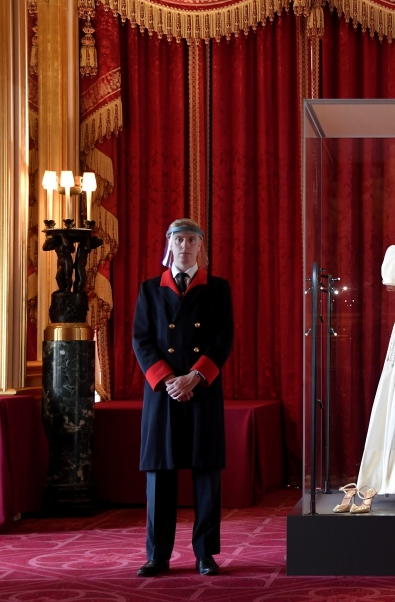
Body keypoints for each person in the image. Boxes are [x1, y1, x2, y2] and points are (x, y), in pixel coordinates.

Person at [132, 219, 234, 577]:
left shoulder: (218, 288)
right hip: (163, 393)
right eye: (179, 239)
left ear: (201, 247)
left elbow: (223, 338)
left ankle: (206, 553)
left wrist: (195, 376)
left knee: (206, 473)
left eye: (192, 240)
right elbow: (141, 340)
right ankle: (158, 554)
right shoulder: (149, 289)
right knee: (160, 474)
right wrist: (168, 380)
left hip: (201, 389)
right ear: (169, 244)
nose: (185, 245)